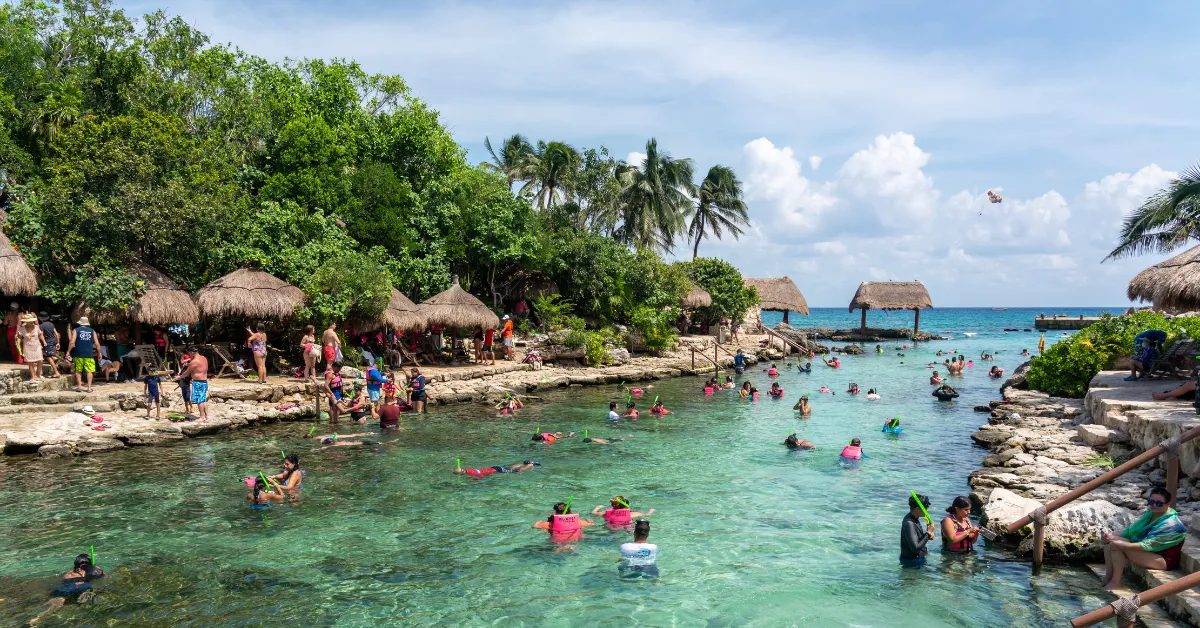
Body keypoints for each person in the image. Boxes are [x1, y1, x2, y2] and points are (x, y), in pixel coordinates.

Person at [1100, 486, 1187, 591]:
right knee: (1110, 540)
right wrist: (1111, 534)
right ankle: (1108, 577)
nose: (1154, 505)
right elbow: (1131, 531)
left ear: (1168, 504)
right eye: (1152, 502)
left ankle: (1115, 583)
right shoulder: (1151, 513)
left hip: (1162, 560)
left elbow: (1149, 545)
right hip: (1148, 552)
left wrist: (1123, 544)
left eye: (1159, 503)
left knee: (1117, 545)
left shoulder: (1173, 525)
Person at [29, 553, 106, 625]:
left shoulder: (68, 574)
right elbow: (102, 576)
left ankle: (33, 620)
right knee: (88, 594)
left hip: (61, 588)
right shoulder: (94, 570)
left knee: (51, 607)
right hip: (78, 588)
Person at [175, 345, 210, 421]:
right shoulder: (204, 358)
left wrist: (179, 377)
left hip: (198, 382)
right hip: (204, 381)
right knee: (203, 399)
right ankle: (206, 416)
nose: (189, 356)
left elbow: (187, 372)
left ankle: (202, 416)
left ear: (192, 352)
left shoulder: (194, 361)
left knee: (199, 400)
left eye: (189, 354)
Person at [900, 493, 936, 567]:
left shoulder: (915, 519)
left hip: (917, 560)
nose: (927, 510)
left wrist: (927, 535)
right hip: (911, 563)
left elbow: (916, 539)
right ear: (917, 509)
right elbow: (915, 548)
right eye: (925, 508)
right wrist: (928, 533)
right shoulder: (909, 523)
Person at [67, 316, 101, 393]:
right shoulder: (92, 331)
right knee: (89, 370)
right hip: (89, 354)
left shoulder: (76, 330)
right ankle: (89, 388)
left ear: (80, 323)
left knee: (78, 370)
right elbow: (97, 343)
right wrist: (99, 353)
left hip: (78, 353)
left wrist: (68, 351)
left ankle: (79, 387)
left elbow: (72, 342)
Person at [17, 312, 44, 380]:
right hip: (27, 346)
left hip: (37, 345)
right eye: (30, 321)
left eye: (32, 320)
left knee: (40, 360)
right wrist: (18, 344)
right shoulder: (22, 329)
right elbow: (19, 337)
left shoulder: (36, 327)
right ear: (26, 321)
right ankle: (33, 376)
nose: (31, 322)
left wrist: (44, 341)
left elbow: (40, 335)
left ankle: (38, 373)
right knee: (30, 362)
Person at [38, 312, 60, 377]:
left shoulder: (41, 326)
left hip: (48, 342)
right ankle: (55, 360)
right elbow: (56, 334)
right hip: (54, 341)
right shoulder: (51, 324)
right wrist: (58, 342)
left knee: (48, 357)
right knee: (50, 355)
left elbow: (41, 334)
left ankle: (56, 372)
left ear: (41, 319)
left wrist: (41, 342)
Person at [455, 460, 539, 476]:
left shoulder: (471, 473)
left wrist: (474, 480)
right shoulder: (468, 470)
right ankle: (522, 464)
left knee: (514, 471)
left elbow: (480, 475)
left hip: (497, 470)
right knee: (511, 468)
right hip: (495, 468)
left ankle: (530, 465)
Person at [177, 351, 193, 416]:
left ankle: (191, 407)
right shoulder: (184, 369)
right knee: (185, 398)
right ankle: (187, 409)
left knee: (187, 397)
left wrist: (191, 379)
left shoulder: (188, 370)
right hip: (183, 384)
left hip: (186, 384)